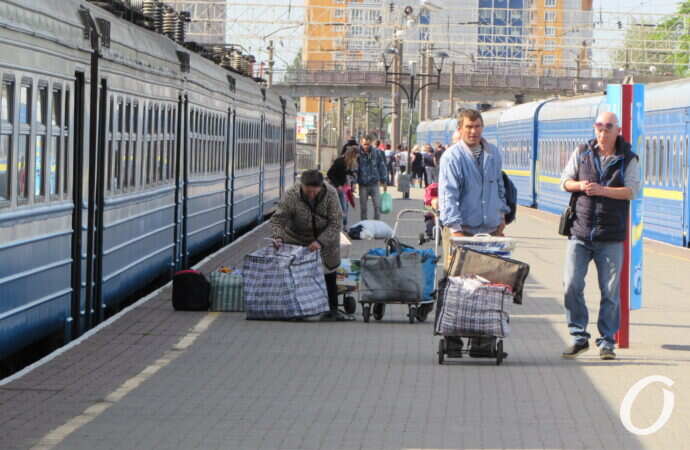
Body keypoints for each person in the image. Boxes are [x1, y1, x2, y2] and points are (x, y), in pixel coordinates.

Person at [560, 111, 640, 361]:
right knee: (571, 284)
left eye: (608, 127)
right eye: (598, 126)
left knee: (610, 292)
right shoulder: (582, 151)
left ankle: (607, 341)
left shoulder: (628, 157)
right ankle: (578, 336)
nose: (602, 131)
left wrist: (603, 190)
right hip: (580, 231)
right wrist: (580, 186)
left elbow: (631, 191)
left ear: (618, 131)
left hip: (611, 234)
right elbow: (564, 181)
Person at [438, 109, 510, 357]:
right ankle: (453, 340)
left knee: (488, 286)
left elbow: (500, 187)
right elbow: (448, 195)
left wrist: (501, 218)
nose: (473, 131)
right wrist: (456, 230)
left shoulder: (493, 154)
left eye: (477, 126)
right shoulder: (452, 157)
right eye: (468, 126)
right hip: (463, 231)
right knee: (457, 285)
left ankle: (483, 341)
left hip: (488, 231)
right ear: (460, 128)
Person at [270, 170, 353, 321]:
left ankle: (332, 309)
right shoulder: (291, 195)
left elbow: (336, 222)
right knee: (298, 274)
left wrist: (320, 241)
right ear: (301, 186)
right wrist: (277, 237)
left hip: (326, 239)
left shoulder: (331, 194)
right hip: (296, 238)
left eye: (315, 192)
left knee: (328, 271)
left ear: (321, 186)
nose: (311, 195)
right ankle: (298, 309)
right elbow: (278, 219)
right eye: (308, 191)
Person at [356, 136, 388, 220]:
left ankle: (376, 225)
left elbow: (382, 166)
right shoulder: (357, 153)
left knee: (377, 207)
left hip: (374, 183)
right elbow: (354, 168)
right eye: (364, 144)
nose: (366, 146)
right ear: (361, 143)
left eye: (368, 144)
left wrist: (384, 181)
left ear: (371, 144)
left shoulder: (377, 152)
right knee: (363, 208)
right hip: (363, 184)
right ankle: (364, 226)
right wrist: (352, 182)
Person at [327, 147, 358, 226]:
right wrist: (338, 185)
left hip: (343, 188)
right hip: (335, 187)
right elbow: (330, 173)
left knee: (345, 207)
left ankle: (344, 226)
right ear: (351, 155)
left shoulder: (348, 163)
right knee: (337, 207)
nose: (356, 159)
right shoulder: (339, 162)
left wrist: (352, 178)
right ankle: (337, 225)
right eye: (355, 157)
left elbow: (346, 172)